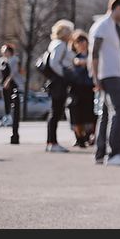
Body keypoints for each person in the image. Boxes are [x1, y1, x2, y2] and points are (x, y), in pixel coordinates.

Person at [90, 0, 120, 166]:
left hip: (113, 74)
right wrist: (95, 77)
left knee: (106, 114)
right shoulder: (103, 26)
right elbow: (94, 53)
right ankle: (114, 152)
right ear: (117, 8)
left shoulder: (114, 27)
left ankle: (100, 153)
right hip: (109, 75)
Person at [46, 20, 74, 152]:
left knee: (55, 112)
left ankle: (51, 142)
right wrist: (64, 74)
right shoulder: (60, 44)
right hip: (58, 83)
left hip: (56, 82)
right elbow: (54, 63)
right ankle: (52, 142)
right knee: (55, 112)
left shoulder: (56, 44)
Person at [67, 30, 96, 148]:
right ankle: (79, 138)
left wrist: (85, 62)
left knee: (91, 115)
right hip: (76, 89)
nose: (81, 43)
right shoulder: (72, 58)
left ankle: (91, 136)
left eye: (83, 40)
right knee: (76, 115)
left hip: (90, 88)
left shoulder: (92, 55)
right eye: (78, 42)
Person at [0, 44, 21, 126]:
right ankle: (7, 116)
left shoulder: (14, 60)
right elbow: (0, 73)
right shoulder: (1, 60)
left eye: (5, 51)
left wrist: (8, 81)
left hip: (12, 83)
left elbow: (14, 72)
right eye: (2, 51)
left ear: (10, 51)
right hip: (3, 83)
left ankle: (11, 118)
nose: (3, 52)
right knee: (6, 100)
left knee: (12, 100)